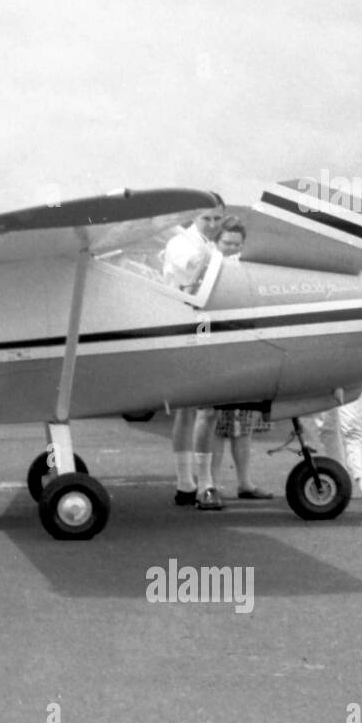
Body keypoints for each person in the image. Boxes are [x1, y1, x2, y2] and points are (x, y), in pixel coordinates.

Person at [163, 207, 225, 509]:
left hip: (205, 326)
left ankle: (197, 483)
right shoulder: (182, 243)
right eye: (207, 219)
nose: (212, 224)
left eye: (217, 219)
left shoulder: (211, 243)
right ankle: (193, 483)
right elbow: (190, 268)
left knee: (207, 410)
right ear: (194, 219)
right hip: (185, 325)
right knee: (191, 410)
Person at [206, 217, 273, 498]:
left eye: (237, 244)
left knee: (243, 428)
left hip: (244, 356)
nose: (232, 249)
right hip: (217, 357)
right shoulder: (209, 271)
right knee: (216, 428)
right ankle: (210, 483)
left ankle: (245, 483)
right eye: (227, 243)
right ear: (216, 243)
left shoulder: (247, 272)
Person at [316, 388, 362, 506]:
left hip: (348, 375)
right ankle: (339, 482)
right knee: (327, 427)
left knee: (353, 425)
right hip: (318, 376)